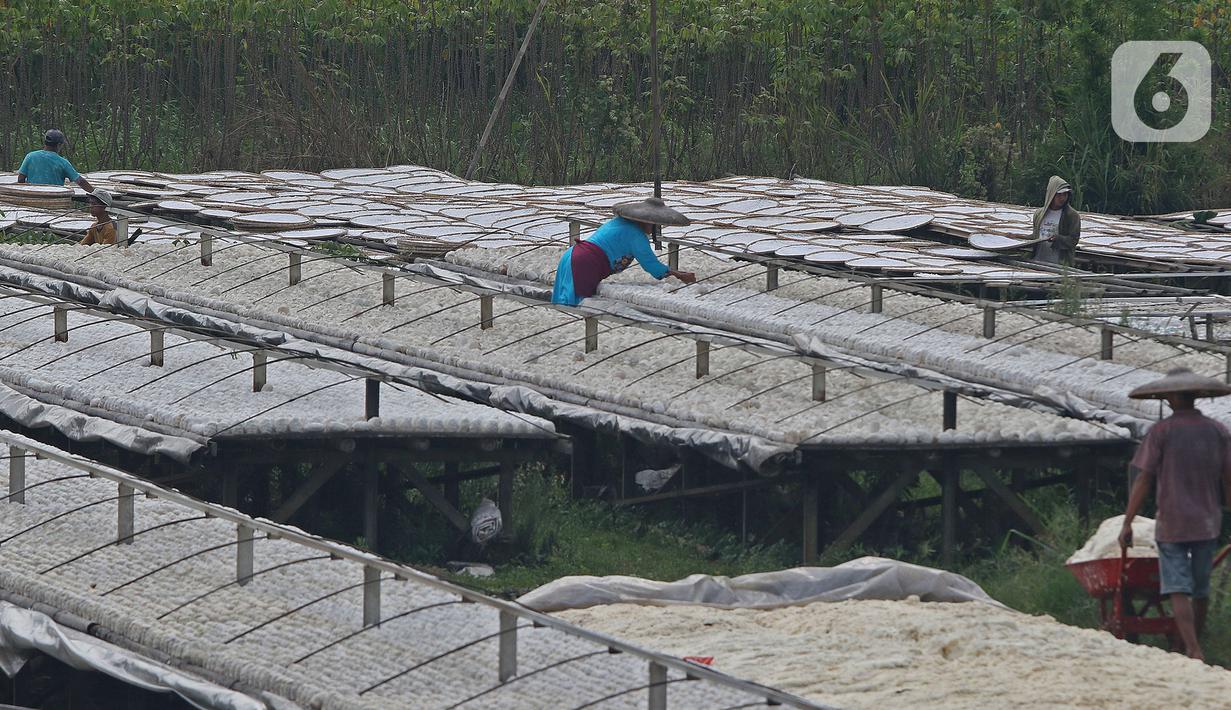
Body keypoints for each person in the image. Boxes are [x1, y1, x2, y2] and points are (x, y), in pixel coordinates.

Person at [1119, 367, 1231, 661]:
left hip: (1172, 521)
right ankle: (1191, 642)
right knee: (1200, 587)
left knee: (1178, 587)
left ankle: (1193, 648)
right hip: (1207, 521)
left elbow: (1144, 478)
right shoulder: (1218, 430)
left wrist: (1128, 521)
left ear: (1170, 398)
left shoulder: (1162, 431)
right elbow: (1228, 477)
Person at [551, 197, 696, 306]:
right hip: (584, 263)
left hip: (571, 256)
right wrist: (679, 275)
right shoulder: (636, 235)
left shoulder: (618, 223)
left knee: (564, 302)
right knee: (576, 306)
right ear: (647, 221)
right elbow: (652, 265)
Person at [16, 129, 94, 192]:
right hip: (54, 198)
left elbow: (20, 179)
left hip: (33, 197)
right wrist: (94, 192)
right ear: (59, 145)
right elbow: (80, 181)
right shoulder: (63, 162)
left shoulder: (30, 156)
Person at [1031, 175, 1080, 265]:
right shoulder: (1039, 214)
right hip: (1038, 261)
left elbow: (1073, 240)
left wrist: (1058, 239)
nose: (1062, 198)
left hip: (1060, 264)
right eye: (1059, 195)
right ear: (1052, 194)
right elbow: (1035, 235)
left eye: (1065, 194)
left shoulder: (1072, 216)